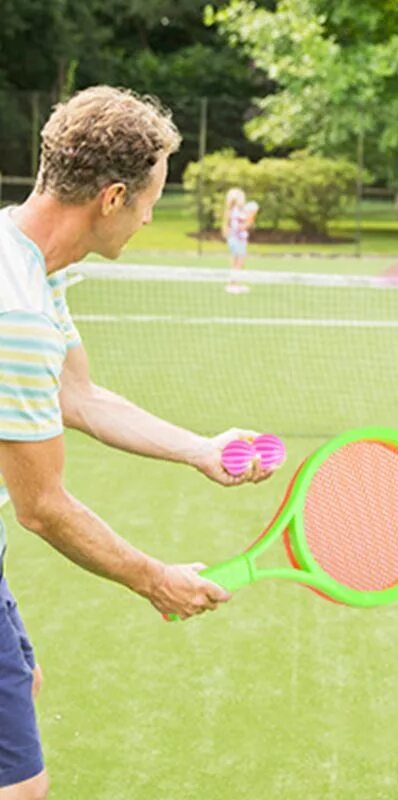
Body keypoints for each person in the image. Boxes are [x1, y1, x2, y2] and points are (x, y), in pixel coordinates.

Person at [0, 86, 276, 800]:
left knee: (22, 684)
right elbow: (42, 507)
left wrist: (200, 448)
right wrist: (155, 578)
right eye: (153, 199)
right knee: (22, 789)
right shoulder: (17, 313)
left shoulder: (28, 262)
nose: (153, 217)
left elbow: (81, 396)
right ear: (114, 197)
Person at [221, 188, 253, 294]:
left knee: (239, 262)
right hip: (237, 240)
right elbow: (241, 226)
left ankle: (237, 284)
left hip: (238, 240)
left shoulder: (238, 211)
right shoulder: (235, 211)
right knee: (238, 262)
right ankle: (233, 285)